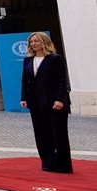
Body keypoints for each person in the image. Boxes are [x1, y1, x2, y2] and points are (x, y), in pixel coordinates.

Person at [19, 31, 73, 173]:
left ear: (44, 42)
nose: (33, 44)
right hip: (35, 102)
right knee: (41, 134)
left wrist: (60, 99)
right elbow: (25, 81)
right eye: (31, 42)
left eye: (36, 41)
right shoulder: (28, 60)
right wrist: (24, 98)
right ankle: (47, 162)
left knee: (59, 134)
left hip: (54, 102)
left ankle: (62, 165)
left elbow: (62, 81)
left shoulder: (55, 59)